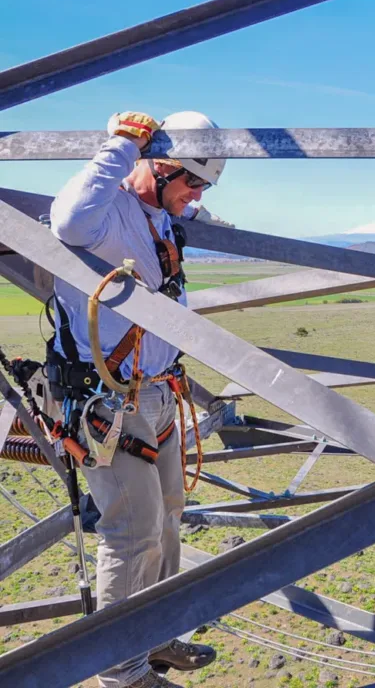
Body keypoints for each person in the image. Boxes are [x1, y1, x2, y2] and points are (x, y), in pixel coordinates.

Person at [49, 111, 231, 688]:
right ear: (160, 167)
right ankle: (121, 672)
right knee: (132, 533)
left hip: (156, 394)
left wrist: (184, 199)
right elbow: (68, 221)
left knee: (169, 518)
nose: (197, 196)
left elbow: (180, 212)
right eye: (192, 182)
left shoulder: (157, 216)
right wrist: (121, 146)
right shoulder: (108, 215)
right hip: (109, 402)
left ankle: (152, 634)